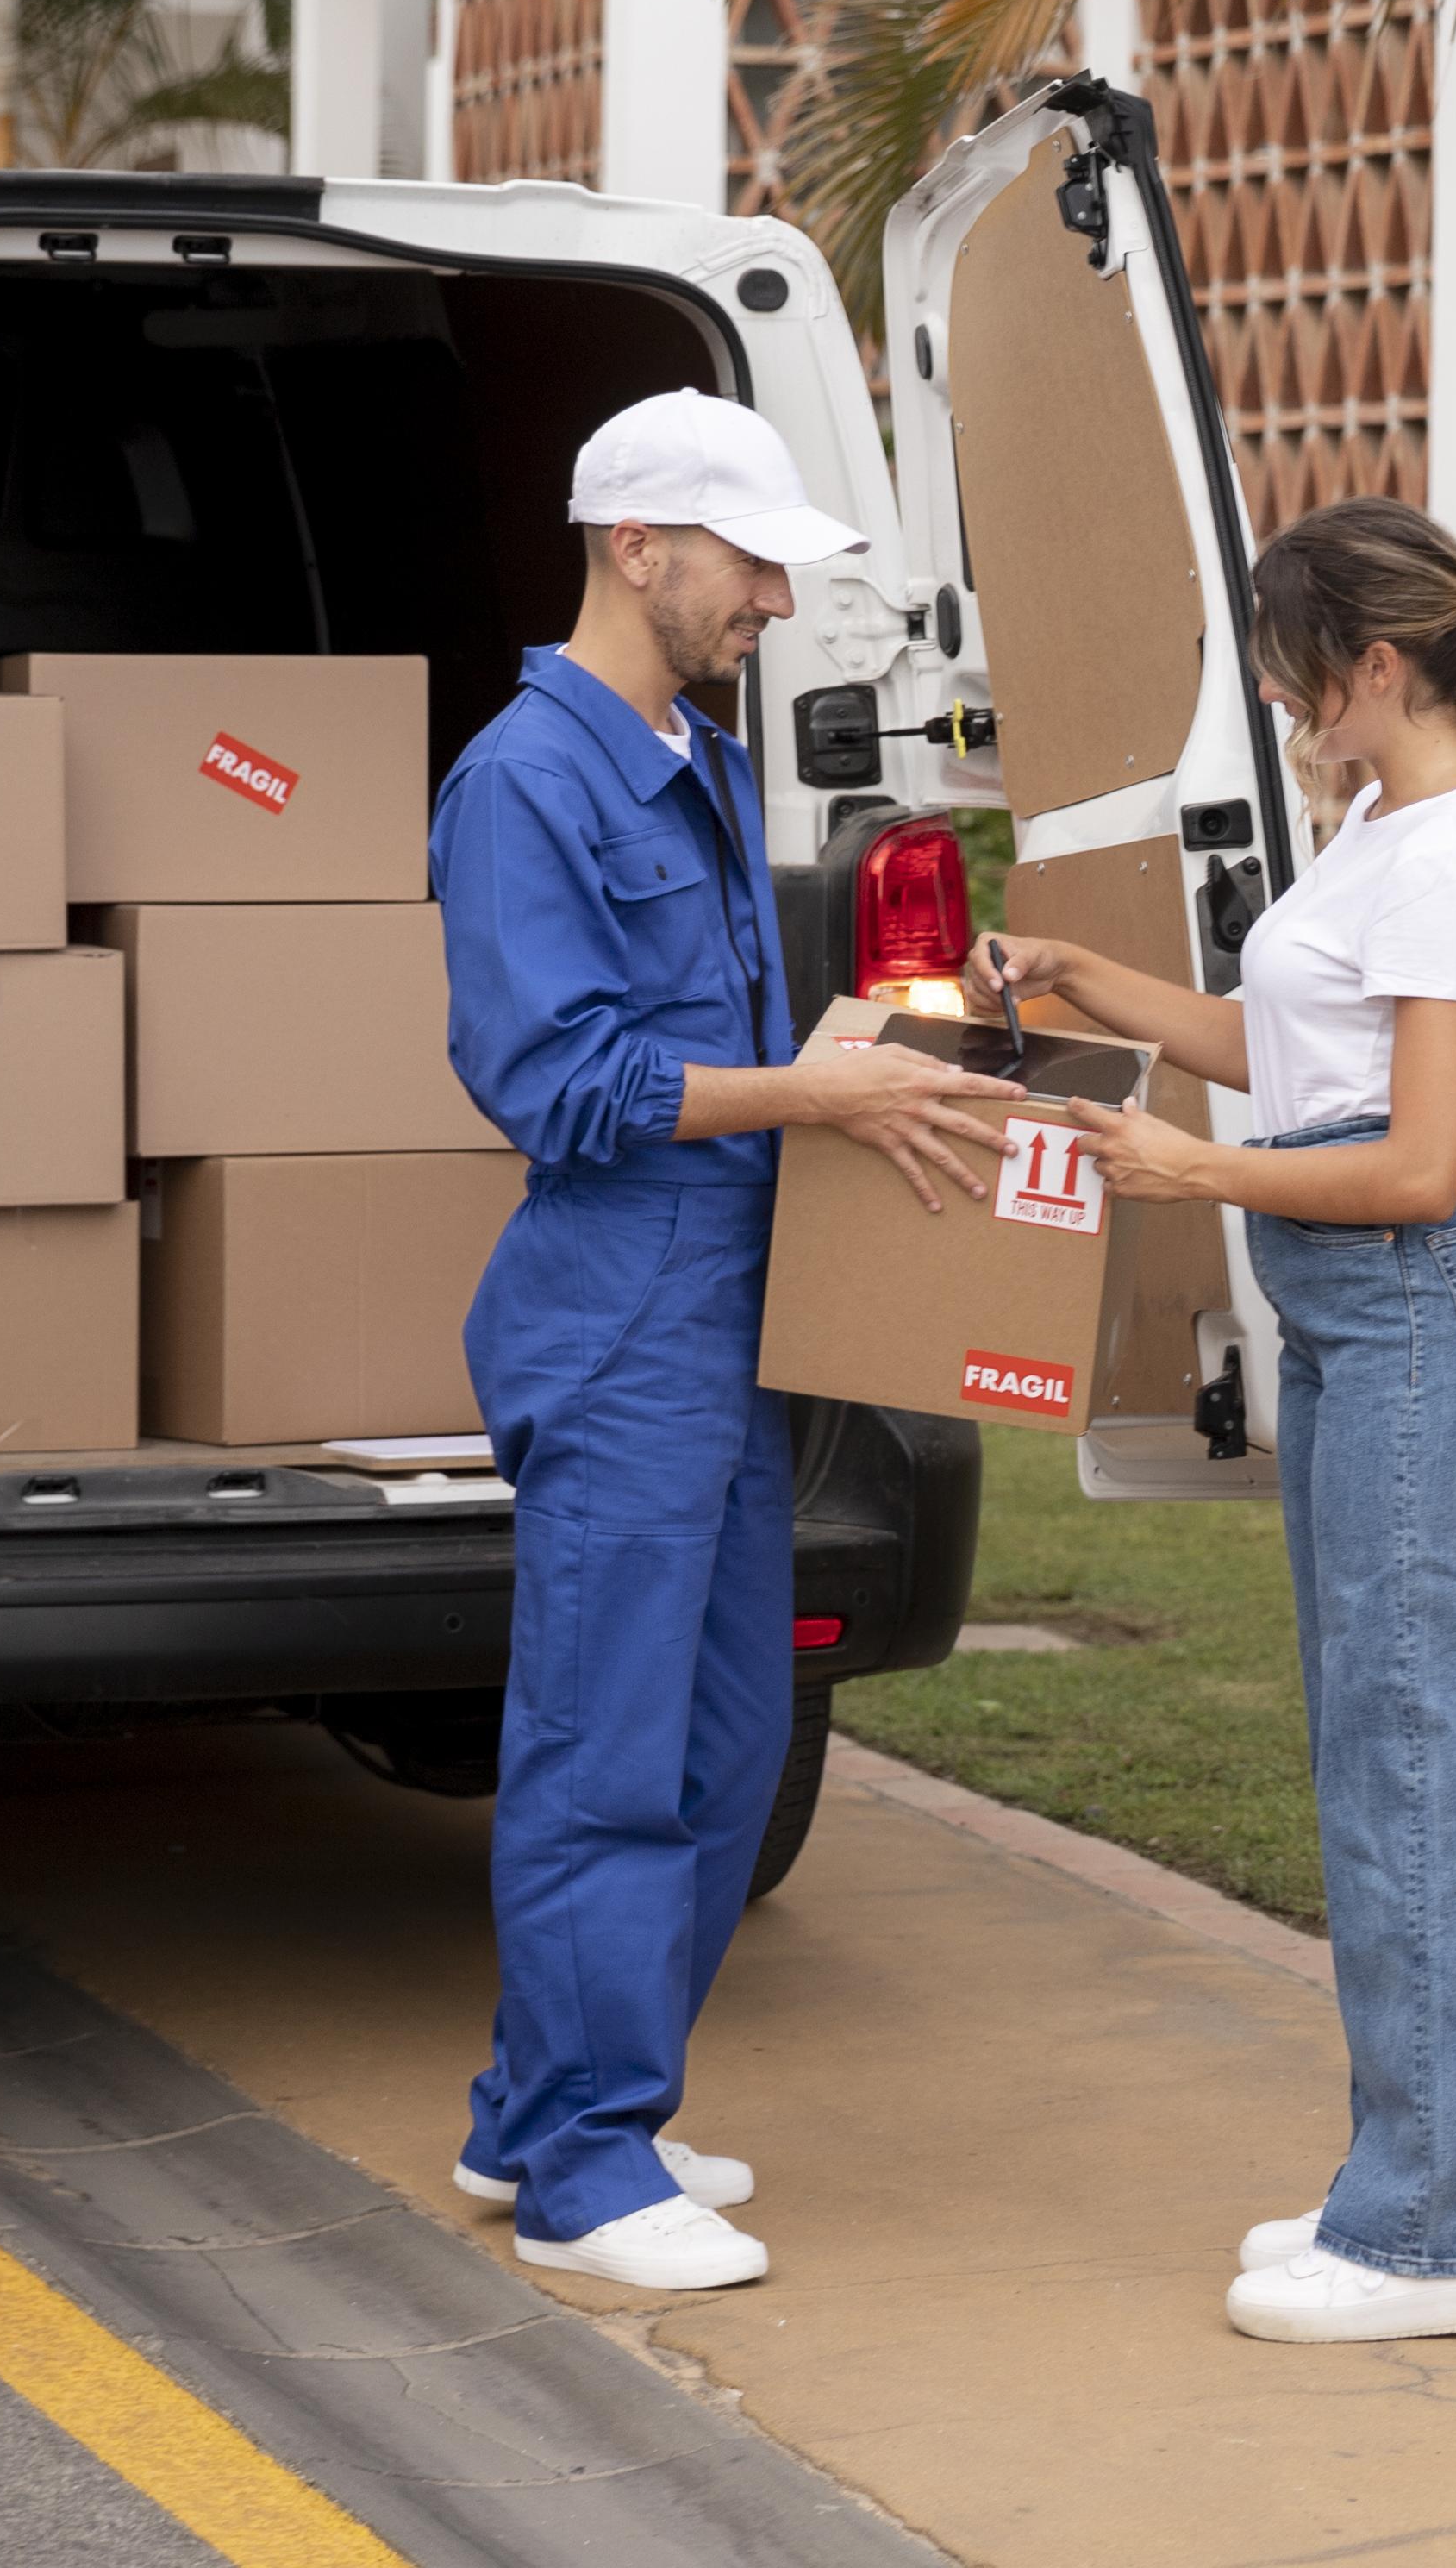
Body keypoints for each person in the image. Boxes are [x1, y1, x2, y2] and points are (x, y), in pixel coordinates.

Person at [960, 496, 1456, 2346]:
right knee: (1376, 1758)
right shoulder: (1382, 825)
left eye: (1292, 670)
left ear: (1372, 667)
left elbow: (1416, 1160)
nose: (1282, 698)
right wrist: (1087, 986)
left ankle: (1436, 2232)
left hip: (1411, 1317)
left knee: (1413, 1770)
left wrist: (1180, 1164)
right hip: (1353, 1330)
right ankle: (1431, 2172)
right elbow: (1281, 1041)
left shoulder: (1449, 850)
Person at [435, 388, 1016, 2294]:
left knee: (723, 1733)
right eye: (752, 557)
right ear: (637, 547)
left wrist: (855, 1041)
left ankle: (545, 2110)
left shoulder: (688, 749)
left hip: (725, 1322)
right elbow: (565, 1084)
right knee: (608, 1746)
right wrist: (808, 1090)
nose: (777, 593)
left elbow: (726, 1048)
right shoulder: (528, 778)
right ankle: (594, 2166)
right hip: (620, 1328)